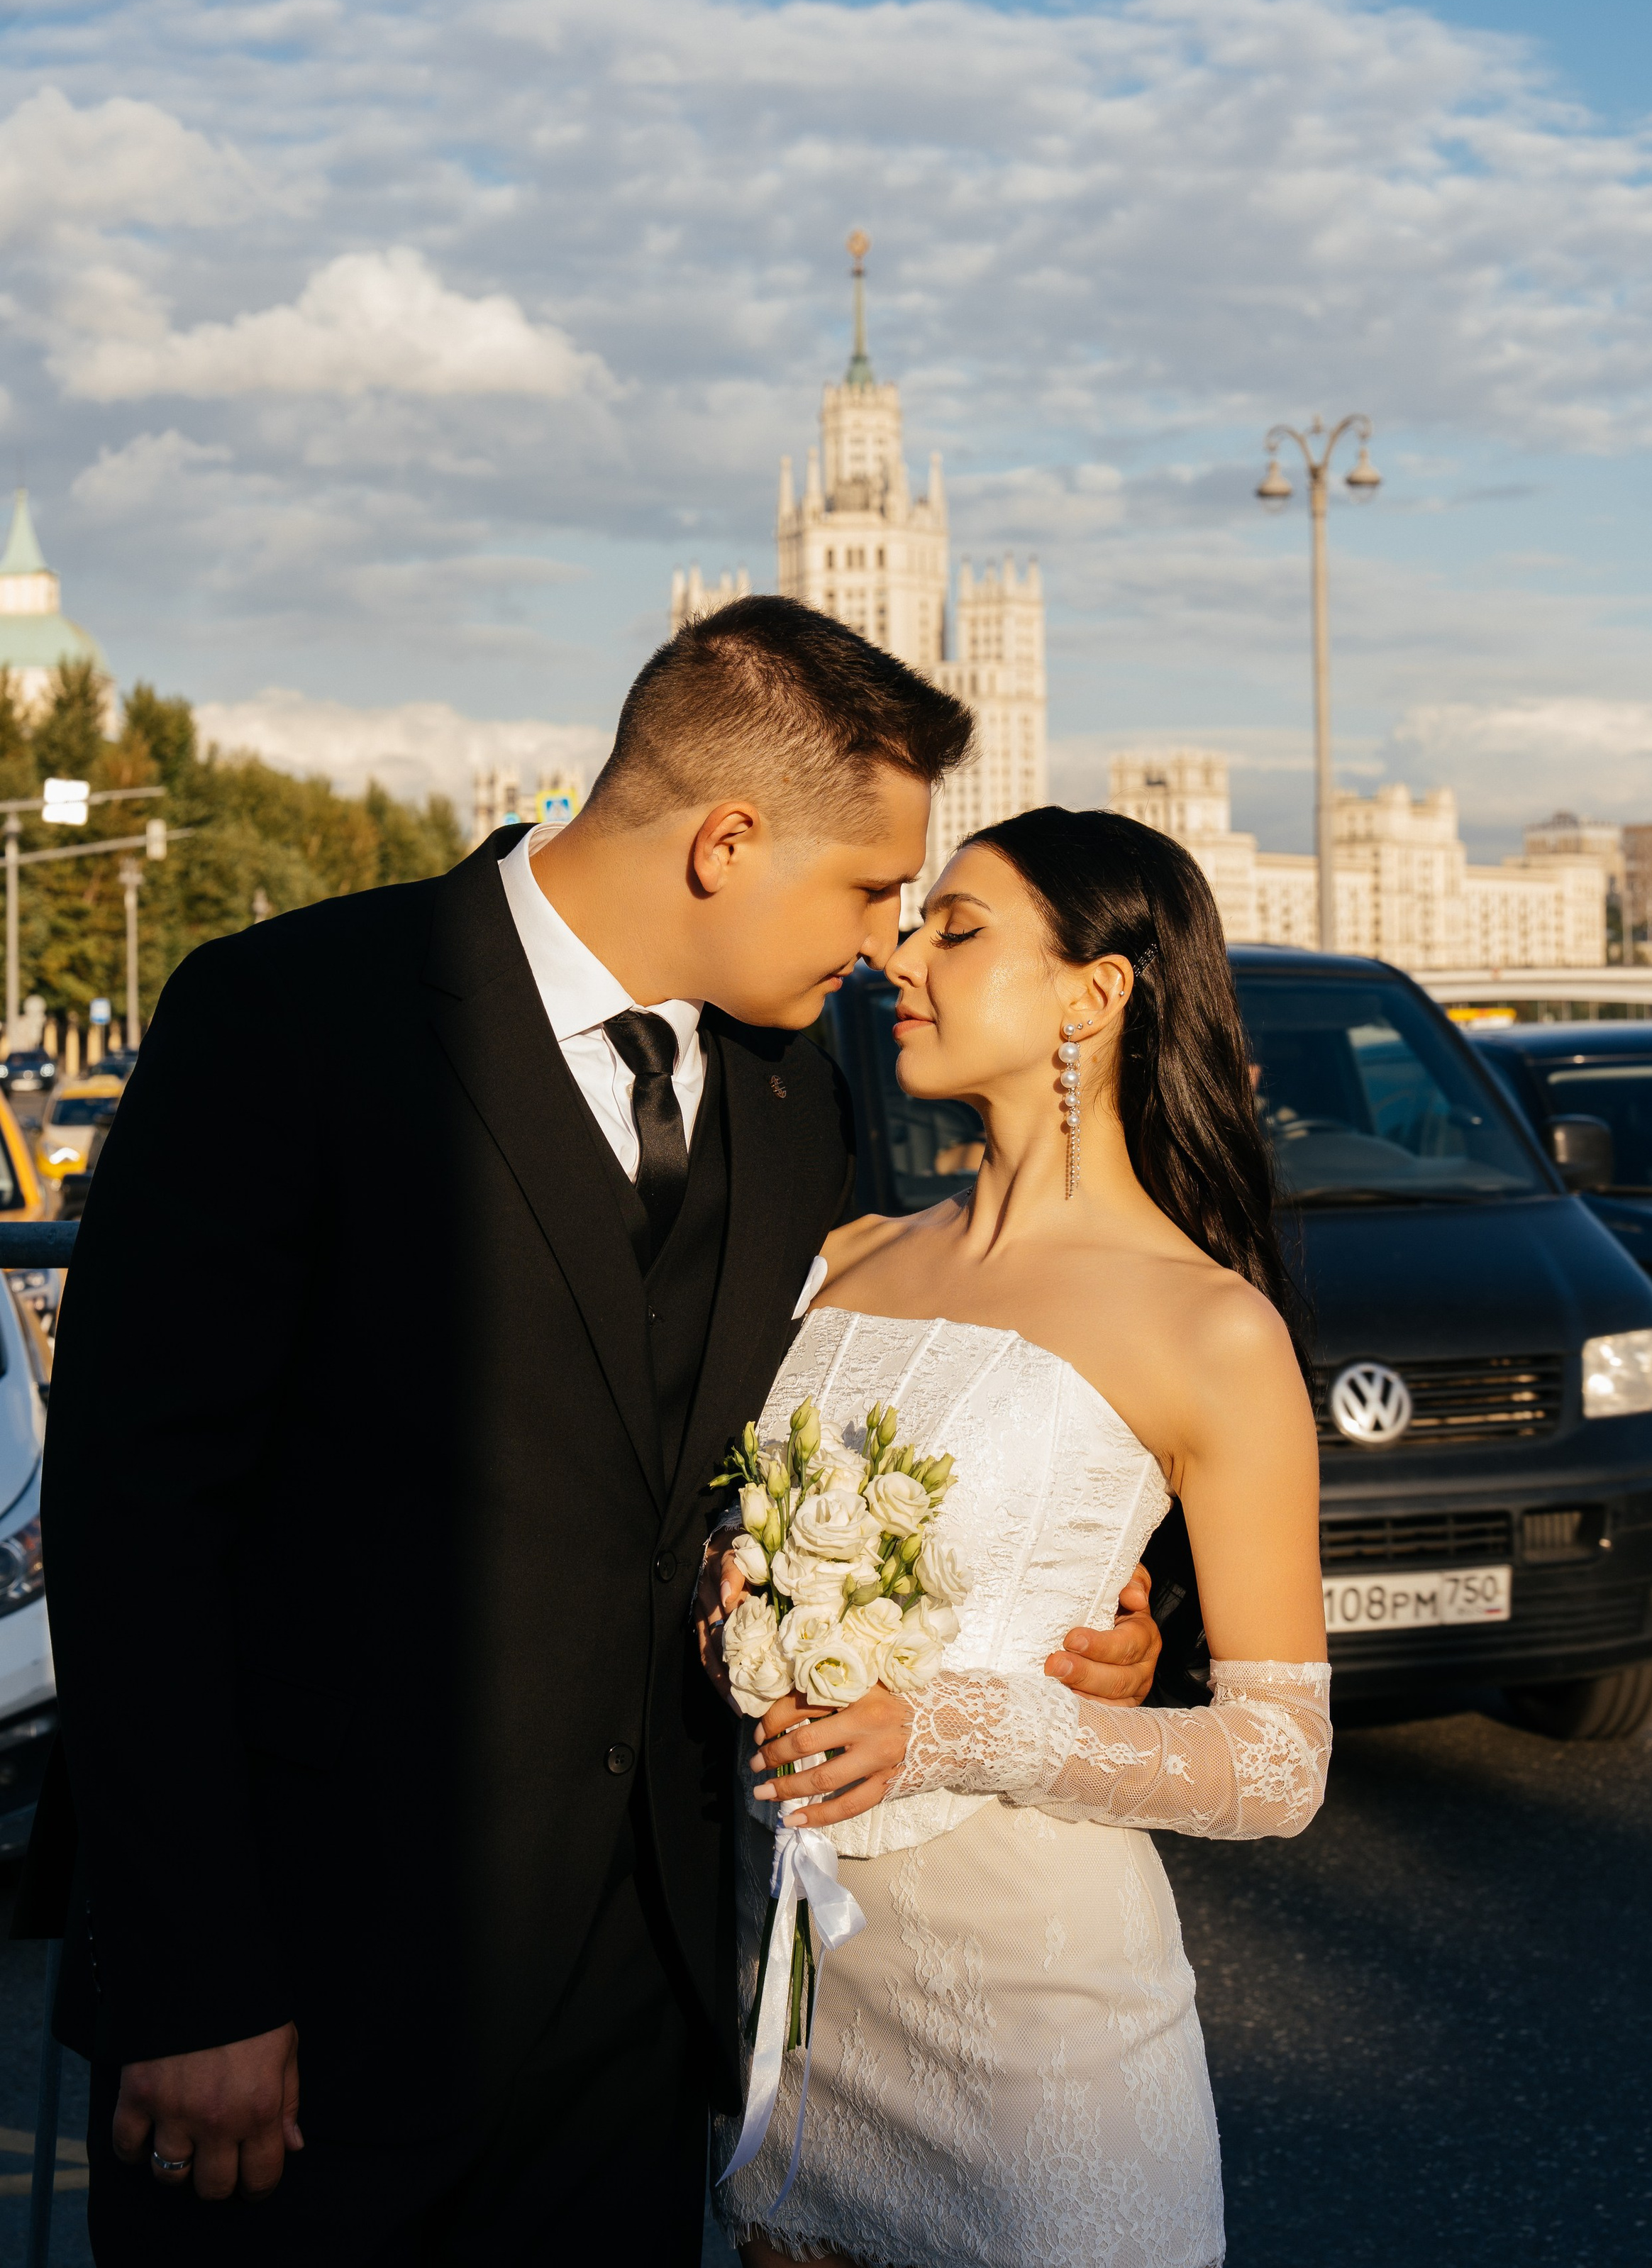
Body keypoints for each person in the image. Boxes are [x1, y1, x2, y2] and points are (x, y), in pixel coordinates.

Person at [35, 599, 1163, 2267]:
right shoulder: (291, 1019)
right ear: (725, 841)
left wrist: (1069, 1625)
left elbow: (816, 1445)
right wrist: (194, 1983)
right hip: (297, 2020)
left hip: (634, 2034)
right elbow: (137, 1524)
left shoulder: (799, 1100)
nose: (878, 946)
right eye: (866, 889)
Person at [708, 806, 1331, 2268]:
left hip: (1040, 2057)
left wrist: (963, 1727)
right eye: (909, 922)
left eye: (954, 929)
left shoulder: (1206, 1326)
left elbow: (1278, 1764)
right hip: (796, 2013)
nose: (897, 959)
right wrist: (717, 1584)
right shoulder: (844, 1256)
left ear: (1092, 994)